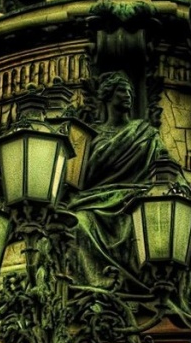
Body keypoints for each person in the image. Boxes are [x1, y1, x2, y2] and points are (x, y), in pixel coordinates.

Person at [68, 72, 174, 290]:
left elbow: (167, 168)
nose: (127, 95)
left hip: (135, 202)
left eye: (129, 92)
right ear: (107, 96)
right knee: (77, 224)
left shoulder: (146, 133)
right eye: (120, 91)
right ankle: (98, 285)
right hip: (94, 202)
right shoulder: (91, 135)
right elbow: (78, 177)